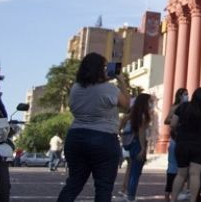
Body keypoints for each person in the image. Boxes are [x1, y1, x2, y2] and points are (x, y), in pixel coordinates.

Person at [56, 53, 131, 202]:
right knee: (103, 187)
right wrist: (121, 80)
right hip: (103, 139)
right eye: (104, 67)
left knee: (74, 183)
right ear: (99, 69)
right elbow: (127, 105)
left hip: (76, 137)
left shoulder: (75, 88)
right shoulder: (109, 89)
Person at [170, 87, 201, 202]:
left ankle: (173, 199)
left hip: (182, 143)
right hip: (200, 145)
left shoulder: (183, 107)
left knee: (181, 174)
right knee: (195, 174)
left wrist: (178, 132)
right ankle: (193, 200)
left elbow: (173, 124)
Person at [119, 93, 152, 202]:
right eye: (150, 101)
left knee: (133, 169)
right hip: (138, 143)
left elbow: (123, 120)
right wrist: (143, 149)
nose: (151, 104)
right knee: (135, 172)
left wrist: (120, 132)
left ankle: (128, 193)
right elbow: (142, 132)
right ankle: (131, 196)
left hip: (131, 144)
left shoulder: (133, 113)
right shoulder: (143, 115)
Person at [164, 88, 188, 202]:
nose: (186, 96)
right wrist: (176, 119)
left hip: (184, 139)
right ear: (179, 96)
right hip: (175, 139)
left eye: (187, 94)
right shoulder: (175, 107)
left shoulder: (188, 107)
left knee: (182, 167)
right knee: (172, 167)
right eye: (184, 94)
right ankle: (168, 193)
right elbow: (166, 120)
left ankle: (179, 191)